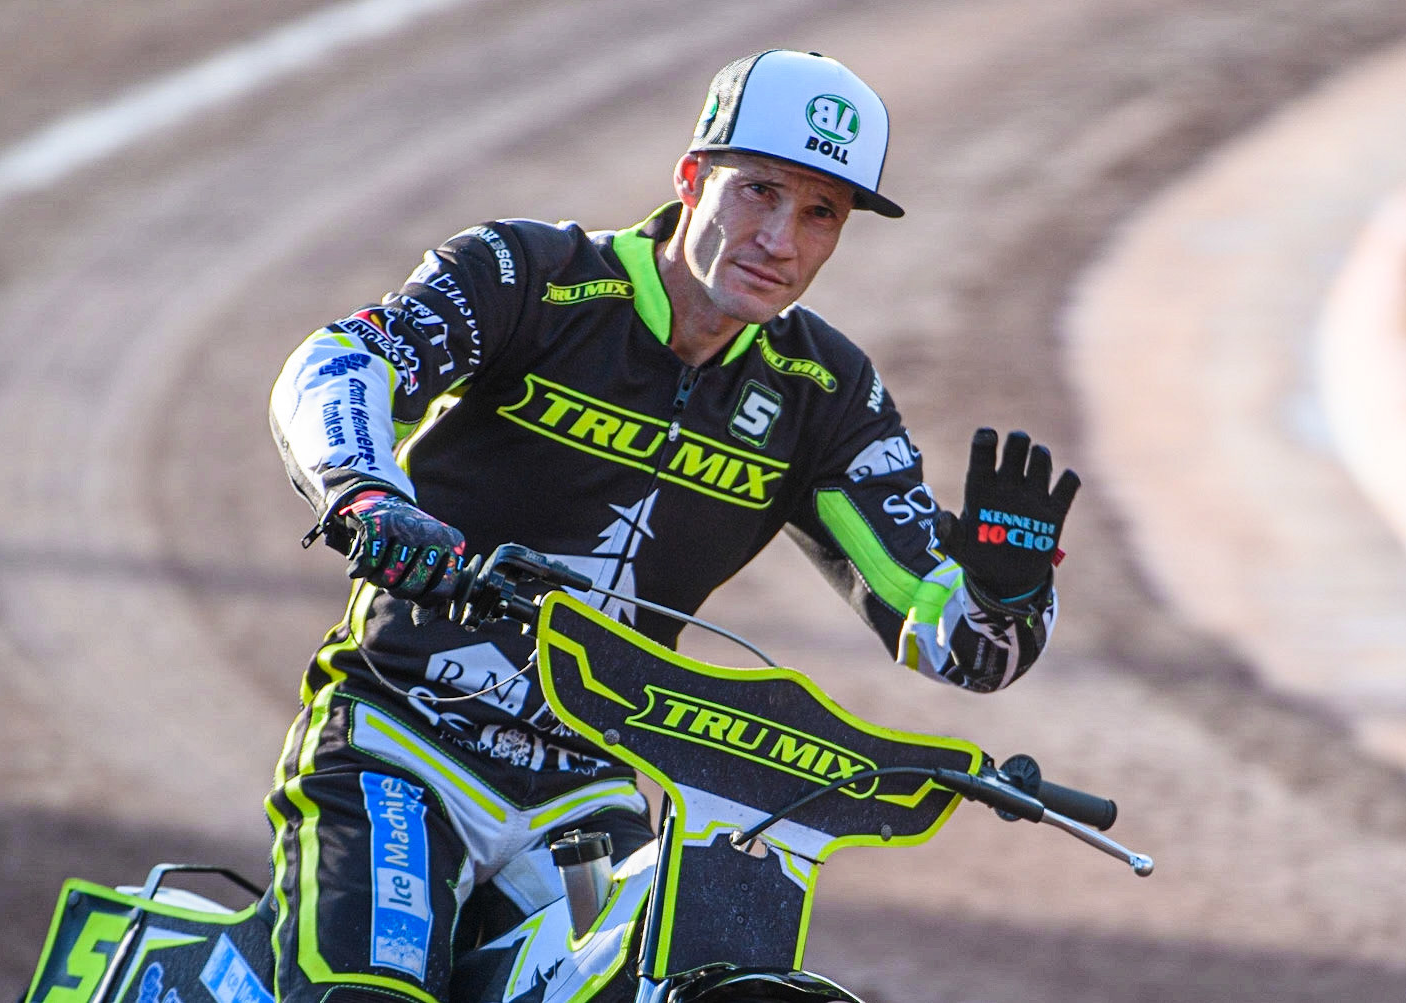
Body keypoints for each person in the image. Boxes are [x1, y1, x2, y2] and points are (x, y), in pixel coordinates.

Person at [266, 49, 1078, 1003]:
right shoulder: (528, 273)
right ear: (692, 177)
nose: (779, 239)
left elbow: (954, 642)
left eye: (820, 213)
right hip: (402, 744)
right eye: (759, 191)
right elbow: (340, 360)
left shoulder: (826, 392)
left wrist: (1006, 592)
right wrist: (366, 495)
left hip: (594, 788)